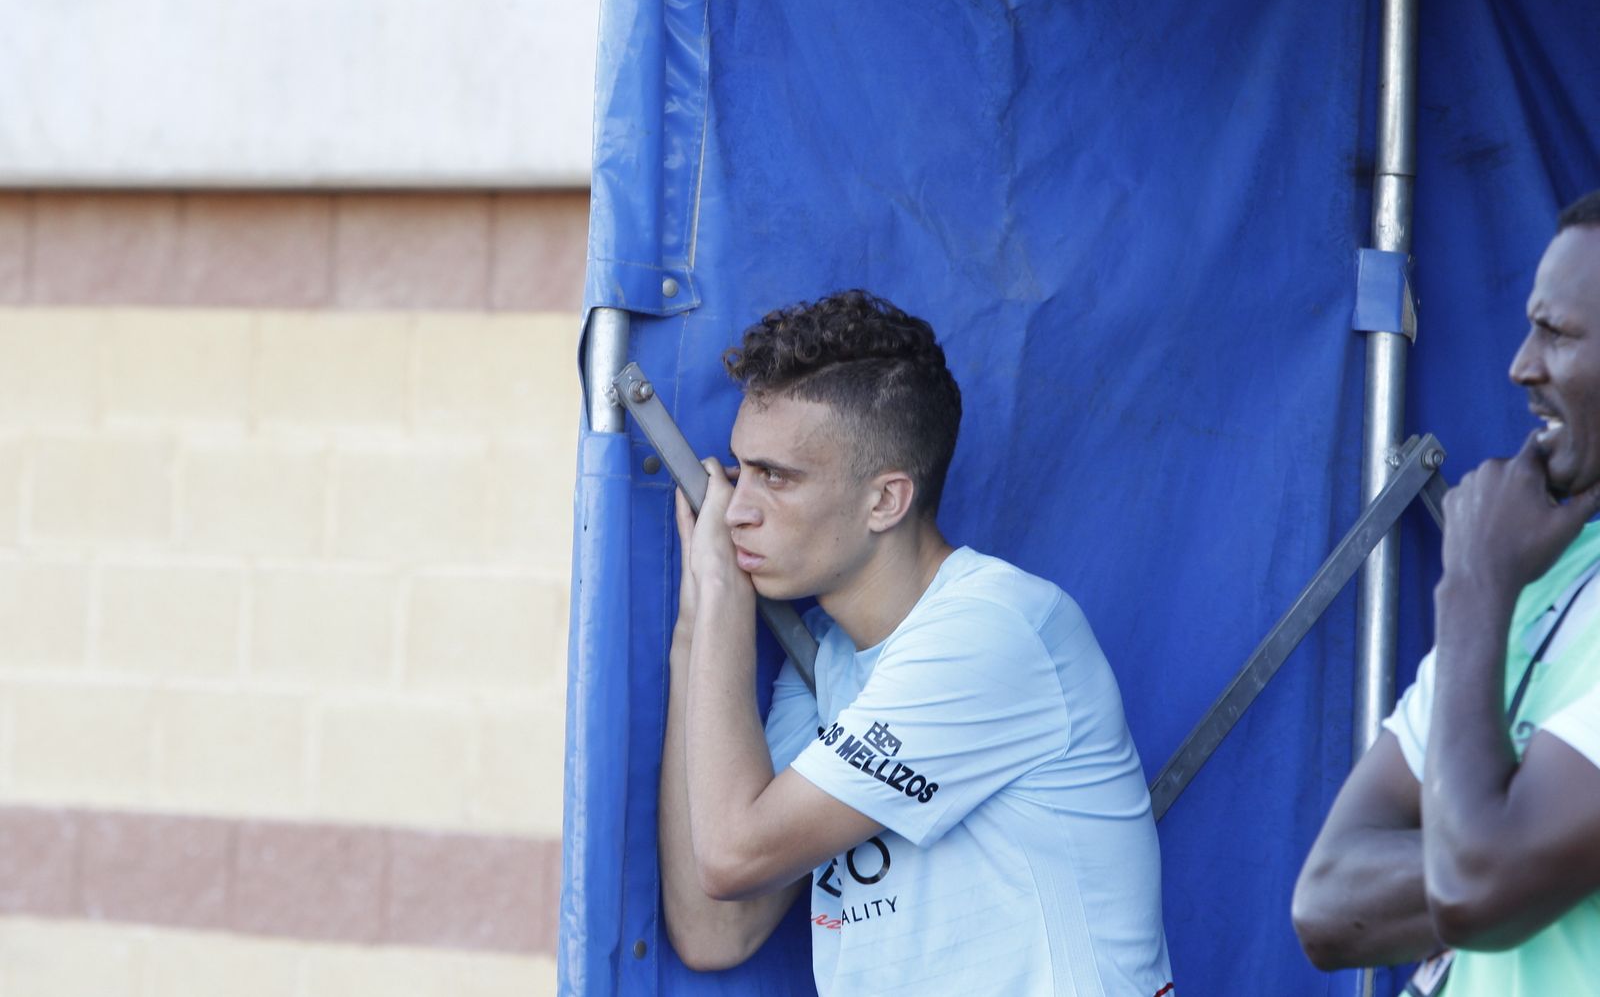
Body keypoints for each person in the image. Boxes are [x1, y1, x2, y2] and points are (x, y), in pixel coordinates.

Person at [658, 290, 1174, 996]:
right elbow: (716, 928)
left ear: (886, 501)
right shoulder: (825, 657)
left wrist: (719, 596)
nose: (737, 509)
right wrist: (695, 632)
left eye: (777, 477)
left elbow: (730, 853)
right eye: (740, 468)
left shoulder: (993, 629)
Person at [1292, 191, 1600, 993]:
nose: (1521, 364)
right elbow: (1328, 900)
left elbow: (1477, 884)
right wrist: (1525, 859)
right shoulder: (1550, 557)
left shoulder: (1495, 573)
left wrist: (1473, 590)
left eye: (1559, 333)